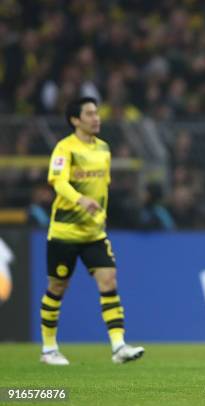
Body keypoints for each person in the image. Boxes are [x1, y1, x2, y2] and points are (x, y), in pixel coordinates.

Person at [40, 97, 144, 365]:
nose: (96, 117)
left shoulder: (104, 149)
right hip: (64, 232)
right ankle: (49, 349)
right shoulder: (65, 149)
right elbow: (58, 182)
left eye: (96, 113)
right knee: (57, 287)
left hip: (94, 233)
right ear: (75, 120)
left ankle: (119, 346)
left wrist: (100, 213)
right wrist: (80, 200)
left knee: (109, 281)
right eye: (89, 114)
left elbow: (103, 188)